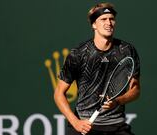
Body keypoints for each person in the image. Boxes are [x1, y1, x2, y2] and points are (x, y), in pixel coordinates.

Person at [54, 2, 140, 135]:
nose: (109, 23)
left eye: (111, 19)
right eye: (103, 19)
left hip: (116, 125)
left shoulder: (127, 51)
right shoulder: (78, 54)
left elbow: (135, 90)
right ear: (94, 24)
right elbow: (59, 93)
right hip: (84, 124)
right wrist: (75, 122)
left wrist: (118, 100)